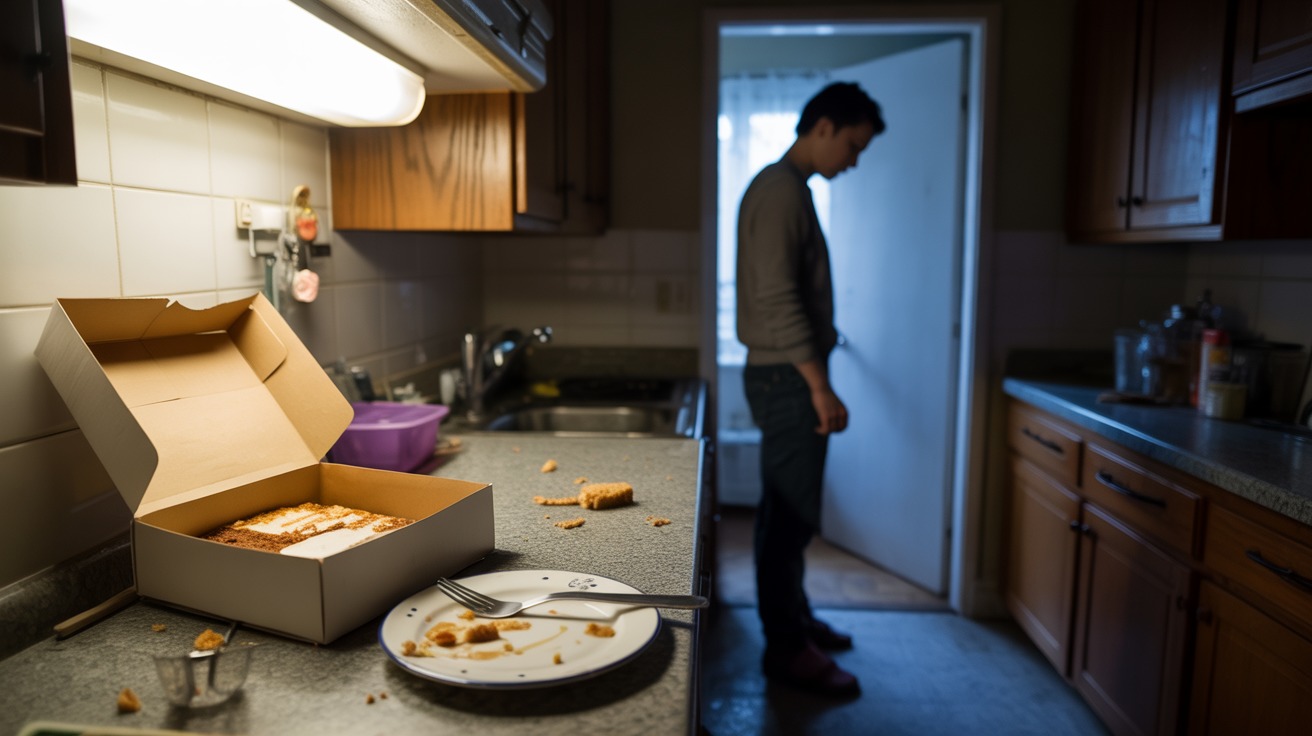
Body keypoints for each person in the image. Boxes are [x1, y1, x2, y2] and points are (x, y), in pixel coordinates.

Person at [734, 81, 885, 698]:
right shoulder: (781, 194)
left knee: (785, 511)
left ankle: (793, 621)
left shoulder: (788, 189)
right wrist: (820, 387)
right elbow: (777, 296)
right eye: (852, 144)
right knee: (789, 517)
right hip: (788, 379)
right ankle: (786, 650)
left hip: (784, 374)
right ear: (822, 127)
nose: (853, 160)